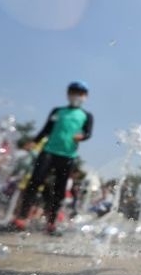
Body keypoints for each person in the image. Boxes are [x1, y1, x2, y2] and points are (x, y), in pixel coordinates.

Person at [5, 81, 93, 236]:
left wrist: (82, 136)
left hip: (67, 156)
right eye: (72, 92)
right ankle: (21, 217)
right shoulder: (58, 111)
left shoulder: (86, 116)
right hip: (48, 151)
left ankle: (51, 222)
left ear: (86, 96)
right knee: (35, 182)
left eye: (79, 93)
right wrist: (34, 142)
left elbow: (88, 133)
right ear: (67, 94)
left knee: (59, 189)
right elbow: (46, 129)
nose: (75, 95)